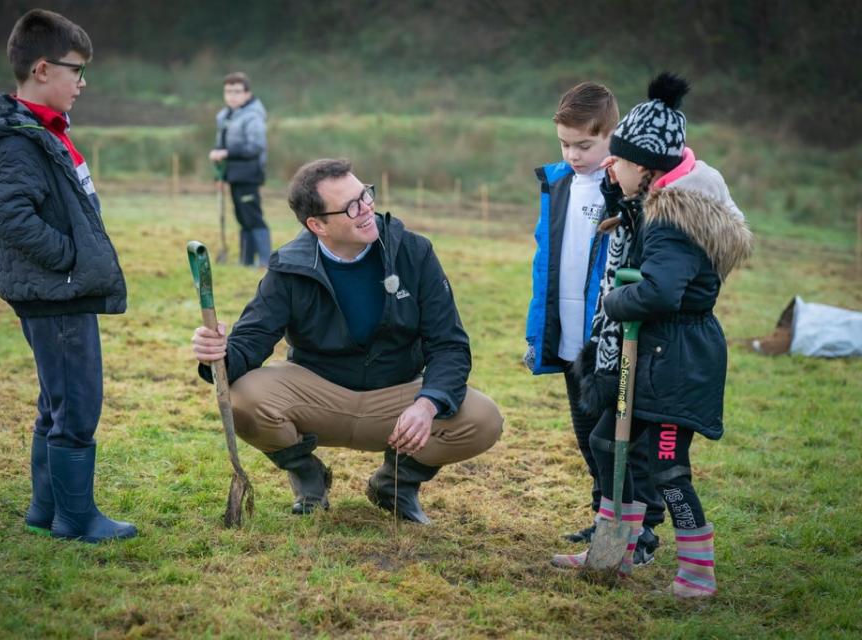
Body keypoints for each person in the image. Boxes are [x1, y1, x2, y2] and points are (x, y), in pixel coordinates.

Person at [191, 158, 504, 524]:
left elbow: (449, 344)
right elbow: (251, 342)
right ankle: (309, 476)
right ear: (317, 225)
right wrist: (218, 355)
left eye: (365, 195)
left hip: (397, 397)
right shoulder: (289, 268)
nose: (367, 209)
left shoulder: (413, 253)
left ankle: (396, 484)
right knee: (242, 398)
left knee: (483, 418)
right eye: (351, 206)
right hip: (319, 395)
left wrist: (427, 404)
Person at [552, 73, 752, 597]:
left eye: (616, 160)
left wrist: (615, 300)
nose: (609, 167)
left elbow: (661, 292)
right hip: (655, 357)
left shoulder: (673, 219)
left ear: (645, 167)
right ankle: (612, 550)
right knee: (608, 442)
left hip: (679, 362)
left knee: (668, 469)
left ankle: (696, 575)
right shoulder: (649, 207)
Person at [0, 9, 136, 543]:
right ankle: (77, 520)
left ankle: (45, 510)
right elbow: (12, 217)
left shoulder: (38, 129)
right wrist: (71, 259)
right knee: (78, 403)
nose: (82, 83)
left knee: (57, 400)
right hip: (56, 292)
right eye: (75, 70)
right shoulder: (18, 140)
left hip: (58, 290)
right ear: (41, 69)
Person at [524, 82, 663, 564]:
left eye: (584, 144)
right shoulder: (557, 183)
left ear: (613, 137)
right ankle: (605, 520)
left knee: (623, 441)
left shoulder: (624, 189)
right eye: (565, 143)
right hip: (567, 339)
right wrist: (534, 334)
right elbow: (546, 263)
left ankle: (641, 532)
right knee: (588, 438)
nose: (573, 153)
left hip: (609, 342)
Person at [208, 71, 271, 267]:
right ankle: (245, 262)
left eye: (236, 91)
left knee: (253, 217)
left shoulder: (253, 116)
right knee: (242, 218)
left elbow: (255, 146)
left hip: (249, 174)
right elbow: (221, 145)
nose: (232, 96)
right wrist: (219, 173)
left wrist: (226, 153)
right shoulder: (225, 115)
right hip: (233, 175)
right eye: (228, 91)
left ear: (247, 93)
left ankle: (265, 262)